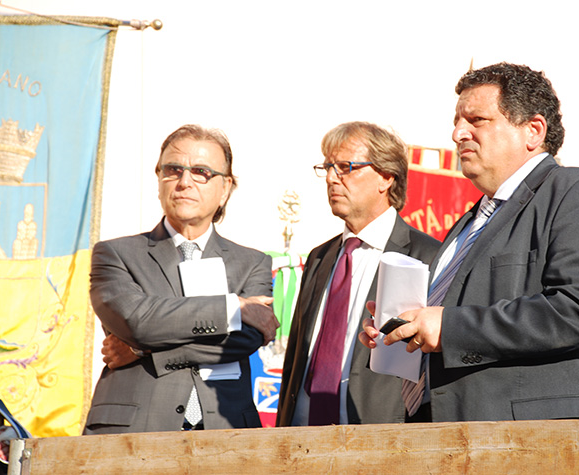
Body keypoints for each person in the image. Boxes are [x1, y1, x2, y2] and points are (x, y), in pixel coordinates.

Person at [360, 62, 579, 422]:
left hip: (539, 435)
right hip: (450, 431)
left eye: (477, 120)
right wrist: (405, 328)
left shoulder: (577, 192)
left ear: (533, 131)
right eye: (457, 122)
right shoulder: (469, 223)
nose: (458, 133)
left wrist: (449, 328)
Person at [84, 124, 279, 434]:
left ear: (225, 188)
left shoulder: (252, 263)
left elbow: (246, 338)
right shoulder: (115, 254)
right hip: (134, 431)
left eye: (201, 172)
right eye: (173, 170)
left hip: (226, 431)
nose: (184, 182)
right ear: (159, 180)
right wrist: (233, 309)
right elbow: (139, 322)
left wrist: (141, 351)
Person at [277, 122, 440, 426]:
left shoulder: (427, 256)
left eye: (345, 167)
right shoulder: (319, 257)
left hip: (380, 435)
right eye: (328, 167)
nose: (331, 178)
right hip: (301, 433)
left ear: (386, 177)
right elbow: (296, 358)